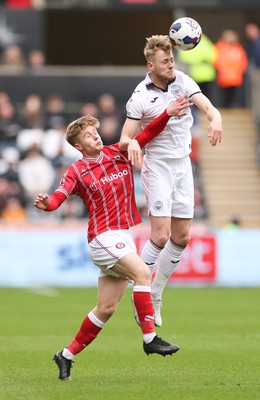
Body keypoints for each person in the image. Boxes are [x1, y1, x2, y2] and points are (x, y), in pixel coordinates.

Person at [33, 96, 192, 381]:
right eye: (87, 135)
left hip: (122, 237)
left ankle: (65, 355)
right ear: (78, 146)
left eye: (95, 131)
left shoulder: (116, 152)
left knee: (106, 308)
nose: (94, 135)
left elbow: (145, 134)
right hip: (102, 237)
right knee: (143, 273)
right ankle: (149, 338)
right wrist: (49, 204)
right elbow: (59, 196)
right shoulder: (76, 170)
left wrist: (167, 113)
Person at [119, 35, 223, 327]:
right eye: (165, 61)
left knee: (182, 237)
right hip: (158, 167)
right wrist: (133, 144)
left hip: (183, 166)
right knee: (161, 235)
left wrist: (216, 119)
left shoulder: (184, 82)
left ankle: (155, 293)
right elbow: (125, 138)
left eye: (172, 59)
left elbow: (208, 108)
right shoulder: (140, 95)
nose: (171, 65)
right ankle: (140, 289)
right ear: (151, 64)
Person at [214, 30, 248, 108]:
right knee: (224, 97)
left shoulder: (238, 48)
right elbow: (216, 60)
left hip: (236, 78)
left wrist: (241, 70)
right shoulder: (220, 47)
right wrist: (222, 70)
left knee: (234, 98)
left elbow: (243, 61)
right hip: (224, 78)